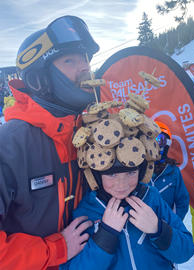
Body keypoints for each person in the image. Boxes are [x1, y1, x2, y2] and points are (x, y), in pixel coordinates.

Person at [0, 15, 100, 269]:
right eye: (70, 60)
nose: (85, 68)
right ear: (38, 80)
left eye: (86, 59)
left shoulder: (92, 134)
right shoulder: (9, 146)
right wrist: (55, 249)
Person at [61, 112, 194, 269]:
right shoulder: (85, 213)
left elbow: (186, 251)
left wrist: (158, 230)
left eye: (131, 172)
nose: (122, 184)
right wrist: (105, 236)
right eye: (111, 174)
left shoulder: (152, 198)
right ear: (96, 175)